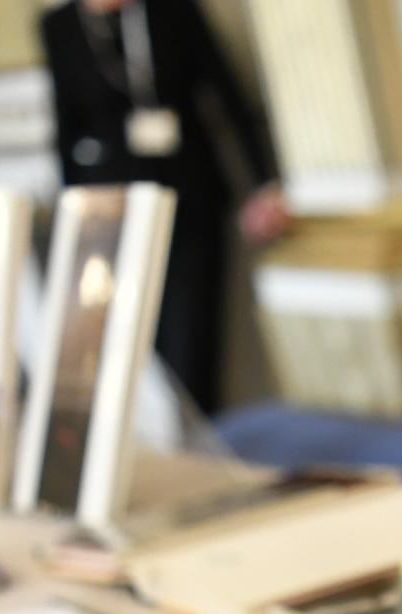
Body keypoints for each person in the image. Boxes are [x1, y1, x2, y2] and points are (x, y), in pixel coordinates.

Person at [38, 0, 288, 414]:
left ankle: (202, 444)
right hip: (118, 212)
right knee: (143, 347)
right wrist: (77, 220)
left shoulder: (171, 10)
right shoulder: (61, 27)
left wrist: (263, 184)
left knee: (193, 343)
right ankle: (171, 445)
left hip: (189, 202)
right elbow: (66, 128)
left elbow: (228, 96)